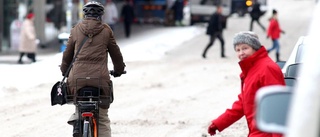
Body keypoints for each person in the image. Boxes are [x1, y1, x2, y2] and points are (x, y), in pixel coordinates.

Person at [60, 1, 126, 137]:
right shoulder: (106, 30)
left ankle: (78, 121)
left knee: (79, 106)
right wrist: (119, 70)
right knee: (102, 118)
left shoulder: (76, 29)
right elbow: (116, 54)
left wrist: (64, 70)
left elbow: (67, 54)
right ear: (101, 15)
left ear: (85, 14)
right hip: (100, 80)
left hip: (77, 79)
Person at [207, 31, 285, 137]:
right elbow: (242, 103)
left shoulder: (267, 68)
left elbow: (277, 106)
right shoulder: (250, 70)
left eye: (245, 48)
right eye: (238, 50)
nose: (241, 53)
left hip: (265, 132)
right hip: (256, 132)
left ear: (254, 47)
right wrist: (218, 123)